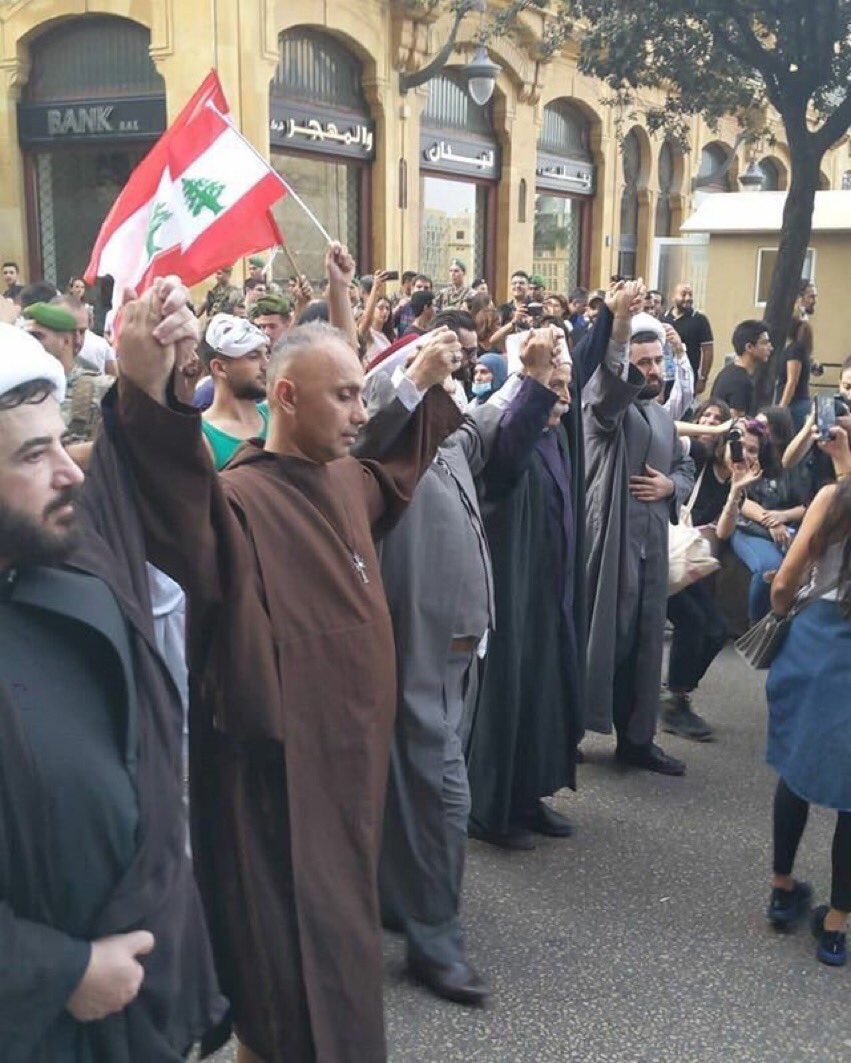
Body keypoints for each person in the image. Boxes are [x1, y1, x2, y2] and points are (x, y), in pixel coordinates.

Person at [112, 246, 465, 1063]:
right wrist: (153, 385)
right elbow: (173, 498)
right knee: (280, 994)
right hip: (275, 799)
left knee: (335, 977)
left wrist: (427, 382)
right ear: (283, 396)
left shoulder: (345, 479)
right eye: (342, 395)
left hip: (345, 784)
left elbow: (395, 473)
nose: (356, 411)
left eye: (358, 393)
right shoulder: (236, 502)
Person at [0, 321, 225, 1060]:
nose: (70, 470)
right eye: (35, 453)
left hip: (146, 1006)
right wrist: (59, 972)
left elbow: (142, 473)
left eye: (62, 440)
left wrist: (146, 380)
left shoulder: (60, 541)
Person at [352, 359, 523, 1006]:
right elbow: (365, 436)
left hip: (453, 657)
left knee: (416, 792)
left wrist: (534, 377)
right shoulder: (385, 453)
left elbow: (492, 418)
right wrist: (408, 382)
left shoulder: (449, 440)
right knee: (441, 799)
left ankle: (401, 902)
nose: (451, 394)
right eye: (437, 388)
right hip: (416, 657)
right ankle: (435, 943)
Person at [584, 282, 695, 775]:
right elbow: (608, 383)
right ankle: (568, 733)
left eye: (656, 363)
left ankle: (636, 741)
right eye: (641, 362)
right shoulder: (609, 409)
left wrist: (671, 487)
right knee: (604, 640)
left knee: (649, 645)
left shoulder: (664, 417)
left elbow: (686, 468)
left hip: (652, 546)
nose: (650, 371)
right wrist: (621, 326)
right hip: (612, 548)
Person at [764, 437, 850, 967]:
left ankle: (781, 889)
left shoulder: (831, 499)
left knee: (795, 772)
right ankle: (837, 926)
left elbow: (785, 585)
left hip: (817, 642)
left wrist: (783, 607)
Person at [662, 414, 766, 739]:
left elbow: (723, 532)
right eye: (739, 445)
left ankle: (675, 693)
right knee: (694, 624)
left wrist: (736, 491)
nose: (743, 455)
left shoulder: (738, 484)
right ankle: (673, 702)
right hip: (662, 553)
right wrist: (716, 430)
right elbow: (667, 428)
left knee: (716, 630)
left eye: (752, 451)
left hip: (687, 565)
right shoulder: (700, 454)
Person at [730, 411, 807, 623]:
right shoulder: (736, 461)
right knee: (769, 568)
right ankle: (758, 629)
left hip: (787, 528)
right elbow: (741, 501)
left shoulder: (786, 466)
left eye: (752, 450)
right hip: (748, 528)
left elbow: (807, 505)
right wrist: (769, 521)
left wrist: (782, 516)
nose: (745, 454)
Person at [24, 301, 113, 447]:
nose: (29, 342)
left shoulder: (101, 387)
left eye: (37, 336)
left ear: (65, 341)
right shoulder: (20, 390)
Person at [200, 314, 271, 470]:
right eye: (253, 357)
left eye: (266, 354)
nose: (266, 365)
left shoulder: (277, 417)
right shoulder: (203, 438)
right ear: (219, 368)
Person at [710, 319, 773, 417]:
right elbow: (737, 422)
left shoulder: (728, 372)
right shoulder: (741, 381)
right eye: (764, 343)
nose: (770, 348)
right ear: (749, 347)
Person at [663, 282, 714, 395]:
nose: (688, 298)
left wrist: (703, 378)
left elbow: (708, 350)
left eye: (690, 294)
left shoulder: (699, 319)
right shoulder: (664, 318)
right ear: (673, 297)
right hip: (666, 379)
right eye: (683, 294)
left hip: (688, 379)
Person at [58, 295, 118, 377]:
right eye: (70, 331)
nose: (78, 340)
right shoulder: (38, 366)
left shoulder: (92, 372)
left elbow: (114, 376)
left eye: (82, 332)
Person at [777, 317, 814, 431]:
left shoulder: (795, 350)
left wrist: (781, 407)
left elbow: (792, 381)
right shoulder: (799, 348)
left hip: (795, 404)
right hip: (798, 401)